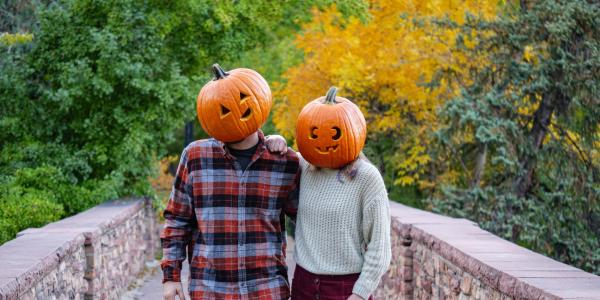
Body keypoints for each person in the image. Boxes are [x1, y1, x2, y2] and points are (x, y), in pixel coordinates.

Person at [161, 65, 300, 300]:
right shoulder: (195, 157)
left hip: (266, 289)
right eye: (222, 110)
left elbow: (309, 218)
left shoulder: (284, 162)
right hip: (210, 289)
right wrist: (171, 276)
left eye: (242, 100)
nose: (232, 114)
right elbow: (177, 219)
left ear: (257, 100)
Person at [266, 87, 391, 300]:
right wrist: (273, 138)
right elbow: (280, 153)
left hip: (346, 288)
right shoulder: (304, 166)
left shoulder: (367, 177)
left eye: (334, 134)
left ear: (354, 131)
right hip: (303, 284)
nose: (323, 141)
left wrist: (359, 294)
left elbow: (379, 248)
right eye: (314, 134)